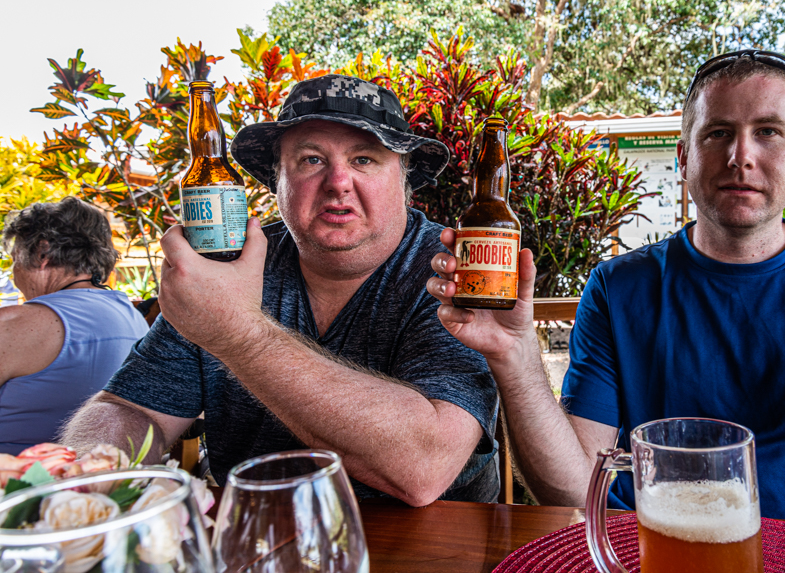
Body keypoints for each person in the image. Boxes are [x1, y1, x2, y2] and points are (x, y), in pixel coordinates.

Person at [427, 50, 785, 521]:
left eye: (767, 132)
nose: (741, 156)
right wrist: (514, 353)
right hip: (663, 553)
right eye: (718, 133)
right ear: (683, 157)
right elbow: (577, 486)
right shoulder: (619, 290)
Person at [63, 75, 500, 505]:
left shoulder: (453, 269)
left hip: (434, 536)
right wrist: (88, 474)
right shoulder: (225, 267)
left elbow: (424, 466)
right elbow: (133, 408)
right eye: (311, 160)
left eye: (364, 159)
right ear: (277, 181)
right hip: (255, 527)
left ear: (404, 182)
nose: (338, 181)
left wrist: (238, 333)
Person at [0, 197, 148, 454]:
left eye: (15, 260)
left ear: (42, 253)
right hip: (109, 473)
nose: (14, 275)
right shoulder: (134, 319)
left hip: (23, 476)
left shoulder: (13, 324)